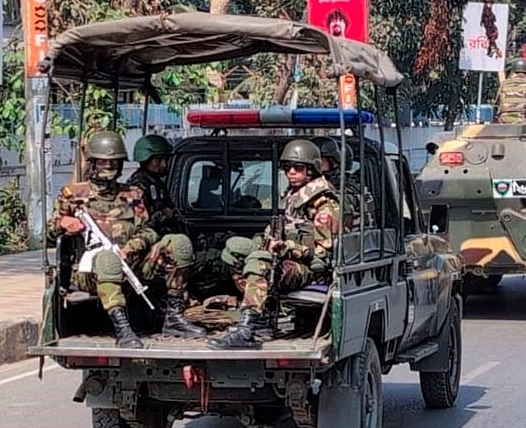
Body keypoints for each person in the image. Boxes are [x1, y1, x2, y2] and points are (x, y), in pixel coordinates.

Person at [50, 131, 205, 348]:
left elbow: (149, 230)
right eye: (104, 161)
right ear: (93, 162)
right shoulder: (72, 195)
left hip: (132, 262)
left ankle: (174, 317)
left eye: (114, 162)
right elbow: (50, 234)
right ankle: (122, 328)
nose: (109, 166)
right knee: (107, 259)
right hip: (90, 271)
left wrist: (131, 248)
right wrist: (64, 223)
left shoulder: (133, 194)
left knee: (178, 243)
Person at [207, 140, 340, 349]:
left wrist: (286, 247)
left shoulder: (323, 205)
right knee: (234, 250)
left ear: (312, 170)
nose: (291, 172)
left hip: (307, 269)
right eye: (287, 168)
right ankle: (261, 313)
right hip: (283, 260)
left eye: (298, 168)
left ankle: (247, 329)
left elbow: (321, 258)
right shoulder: (292, 197)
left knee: (259, 262)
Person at [128, 134, 184, 236]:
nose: (164, 164)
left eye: (166, 160)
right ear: (146, 160)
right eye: (158, 160)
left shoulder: (156, 183)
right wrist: (164, 214)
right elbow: (140, 225)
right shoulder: (138, 186)